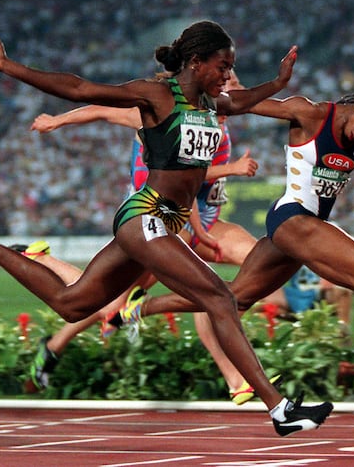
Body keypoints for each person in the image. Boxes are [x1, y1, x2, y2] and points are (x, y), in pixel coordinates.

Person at [0, 21, 334, 437]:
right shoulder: (157, 95)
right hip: (146, 213)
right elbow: (81, 89)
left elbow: (244, 99)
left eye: (231, 67)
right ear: (195, 62)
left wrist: (278, 81)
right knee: (219, 297)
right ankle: (279, 408)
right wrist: (8, 66)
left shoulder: (215, 104)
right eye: (223, 66)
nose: (228, 76)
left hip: (166, 223)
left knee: (73, 305)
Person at [109, 79, 354, 412]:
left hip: (296, 231)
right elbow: (245, 105)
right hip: (294, 217)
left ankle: (139, 308)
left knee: (234, 297)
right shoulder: (310, 113)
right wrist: (201, 93)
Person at [24, 96, 285, 404]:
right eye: (224, 89)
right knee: (110, 305)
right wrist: (57, 120)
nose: (227, 99)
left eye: (231, 92)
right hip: (149, 224)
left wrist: (199, 228)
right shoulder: (155, 115)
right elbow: (102, 109)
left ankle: (238, 377)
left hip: (191, 220)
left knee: (239, 279)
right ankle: (45, 269)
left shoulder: (209, 119)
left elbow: (187, 185)